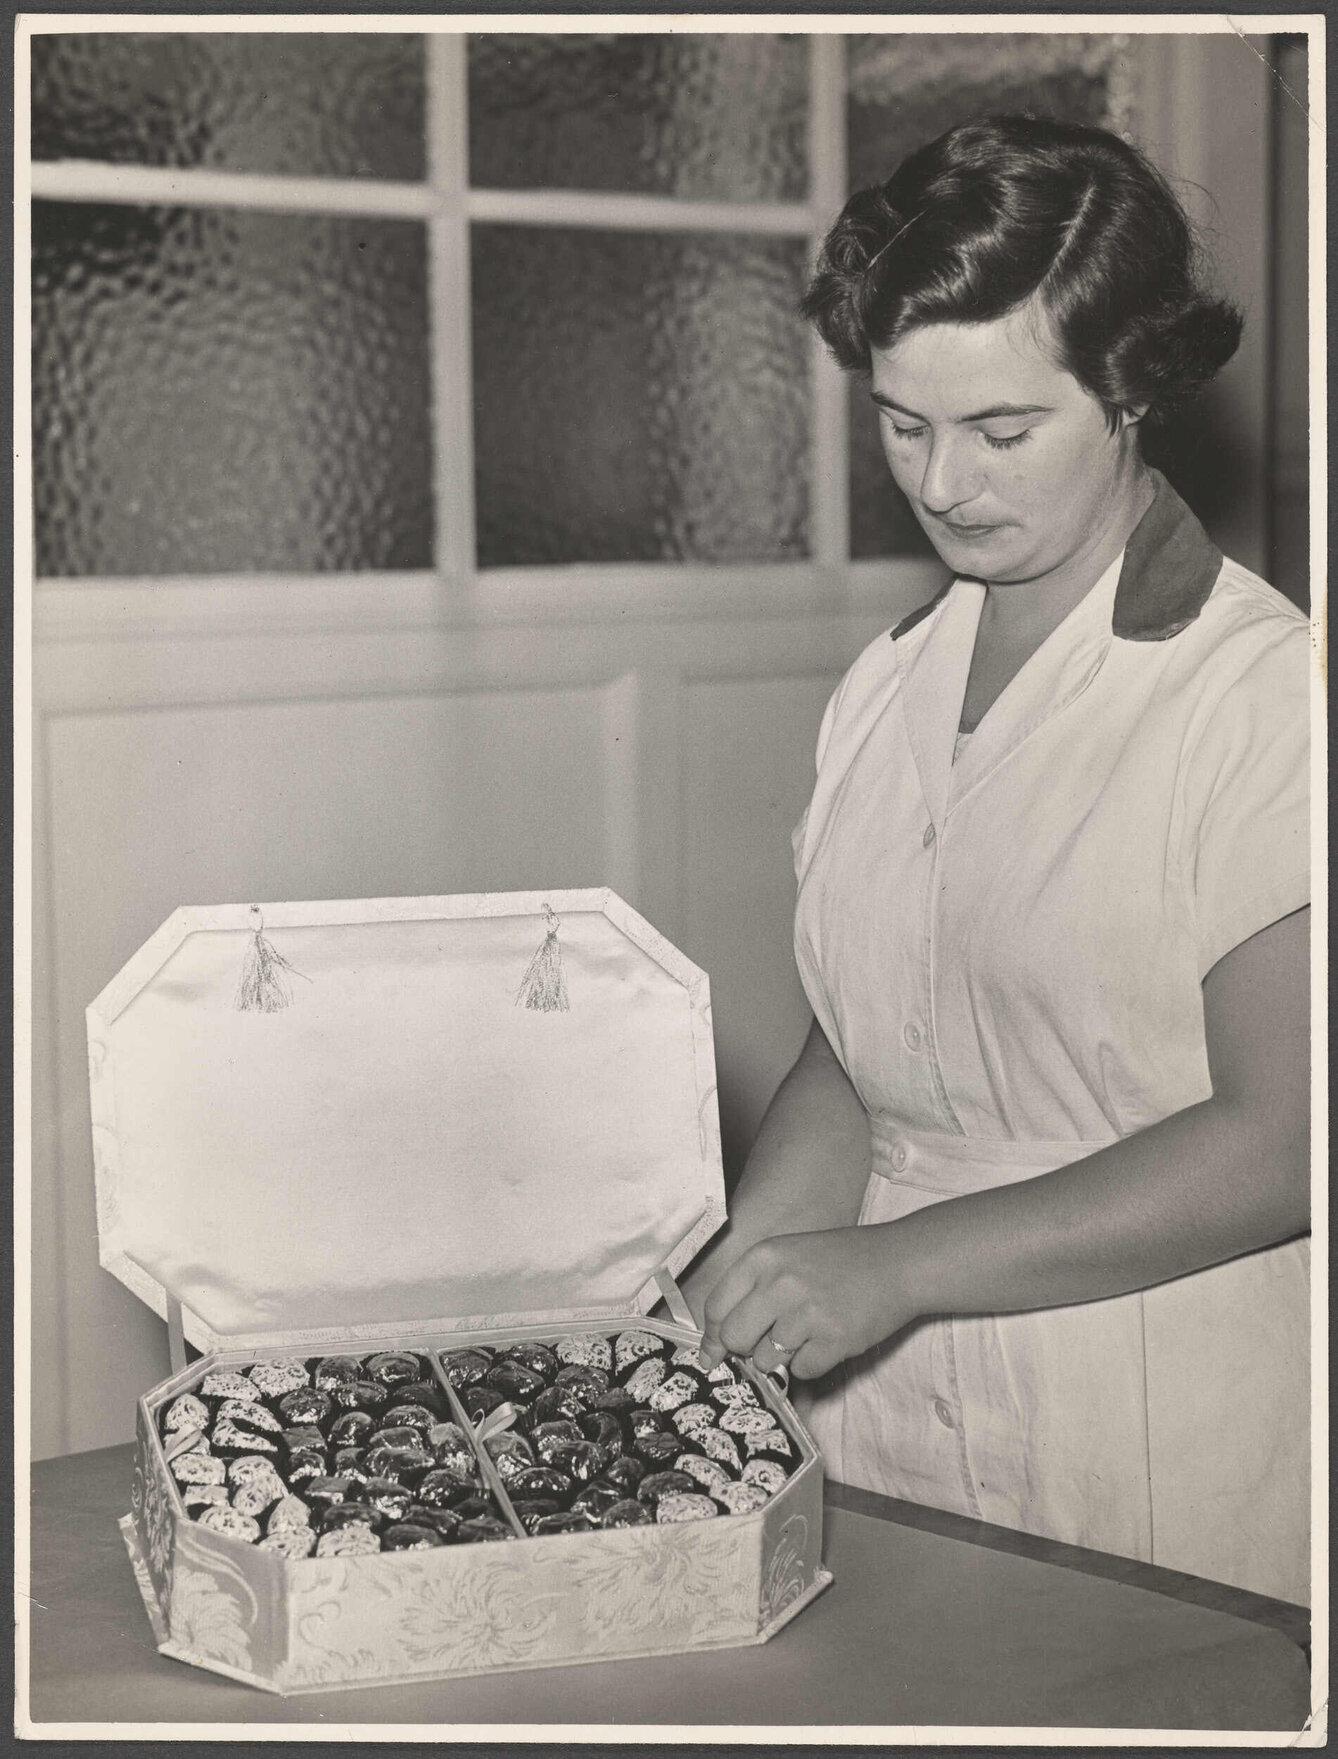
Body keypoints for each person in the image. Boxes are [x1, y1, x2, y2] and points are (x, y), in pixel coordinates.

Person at [683, 115, 1311, 1605]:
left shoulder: (1261, 696)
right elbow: (867, 1048)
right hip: (882, 1417)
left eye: (1002, 431)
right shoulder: (886, 684)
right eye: (903, 424)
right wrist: (751, 1269)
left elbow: (1290, 1139)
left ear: (1131, 387)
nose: (944, 482)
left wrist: (894, 1267)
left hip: (1152, 1430)